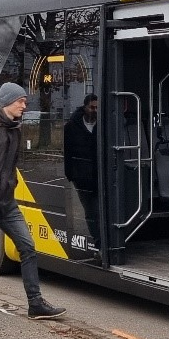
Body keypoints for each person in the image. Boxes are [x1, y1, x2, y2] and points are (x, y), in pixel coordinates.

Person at [0, 82, 66, 320]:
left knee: (28, 247)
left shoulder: (15, 129)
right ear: (8, 102)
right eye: (20, 101)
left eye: (25, 102)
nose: (24, 105)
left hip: (6, 204)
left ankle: (35, 303)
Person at [63, 94, 99, 248]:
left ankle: (101, 241)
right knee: (91, 211)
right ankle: (98, 243)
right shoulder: (72, 126)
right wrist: (71, 174)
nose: (94, 110)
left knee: (99, 210)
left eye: (97, 107)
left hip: (99, 175)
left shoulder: (103, 124)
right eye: (92, 107)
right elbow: (67, 152)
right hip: (81, 177)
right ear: (85, 107)